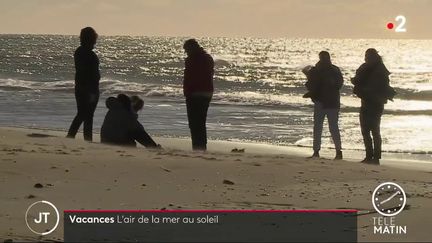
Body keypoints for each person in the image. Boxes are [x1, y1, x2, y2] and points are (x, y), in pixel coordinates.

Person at [352, 48, 395, 165]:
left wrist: (364, 87)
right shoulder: (364, 67)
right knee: (365, 130)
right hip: (366, 101)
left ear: (374, 57)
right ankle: (368, 156)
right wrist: (356, 82)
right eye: (366, 56)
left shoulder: (380, 69)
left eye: (368, 56)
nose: (366, 58)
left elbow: (382, 85)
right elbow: (358, 80)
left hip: (376, 103)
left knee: (375, 130)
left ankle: (376, 157)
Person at [303, 51, 344, 160]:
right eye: (322, 58)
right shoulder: (317, 70)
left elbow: (338, 84)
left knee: (332, 128)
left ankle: (338, 151)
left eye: (325, 58)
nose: (324, 60)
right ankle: (317, 151)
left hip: (331, 103)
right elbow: (311, 83)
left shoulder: (333, 70)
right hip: (322, 102)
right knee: (319, 127)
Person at [67, 27, 100, 141]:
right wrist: (91, 89)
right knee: (87, 115)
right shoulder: (87, 53)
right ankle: (85, 138)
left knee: (82, 114)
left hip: (82, 87)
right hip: (89, 89)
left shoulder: (80, 51)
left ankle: (73, 136)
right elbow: (89, 73)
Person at [183, 39, 214, 151]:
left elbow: (189, 78)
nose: (186, 52)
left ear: (191, 48)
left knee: (194, 123)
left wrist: (187, 92)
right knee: (201, 121)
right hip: (207, 93)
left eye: (186, 50)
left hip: (194, 94)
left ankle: (197, 146)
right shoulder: (208, 58)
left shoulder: (191, 60)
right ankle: (201, 146)